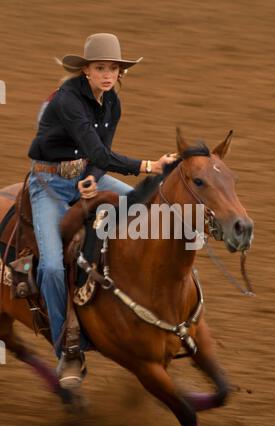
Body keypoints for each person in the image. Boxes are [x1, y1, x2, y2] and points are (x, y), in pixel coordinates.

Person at [28, 33, 176, 388]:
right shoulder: (67, 101)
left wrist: (92, 180)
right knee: (49, 265)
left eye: (113, 68)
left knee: (148, 212)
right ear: (86, 71)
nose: (107, 75)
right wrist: (149, 165)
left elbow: (98, 157)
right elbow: (98, 151)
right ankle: (67, 349)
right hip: (46, 185)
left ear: (120, 73)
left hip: (85, 178)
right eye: (100, 68)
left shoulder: (112, 103)